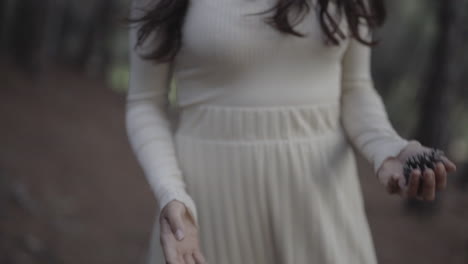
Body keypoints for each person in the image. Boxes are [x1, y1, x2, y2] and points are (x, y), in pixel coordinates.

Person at [125, 0, 457, 263]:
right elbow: (145, 103)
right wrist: (172, 194)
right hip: (209, 202)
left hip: (321, 204)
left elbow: (355, 88)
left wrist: (387, 148)